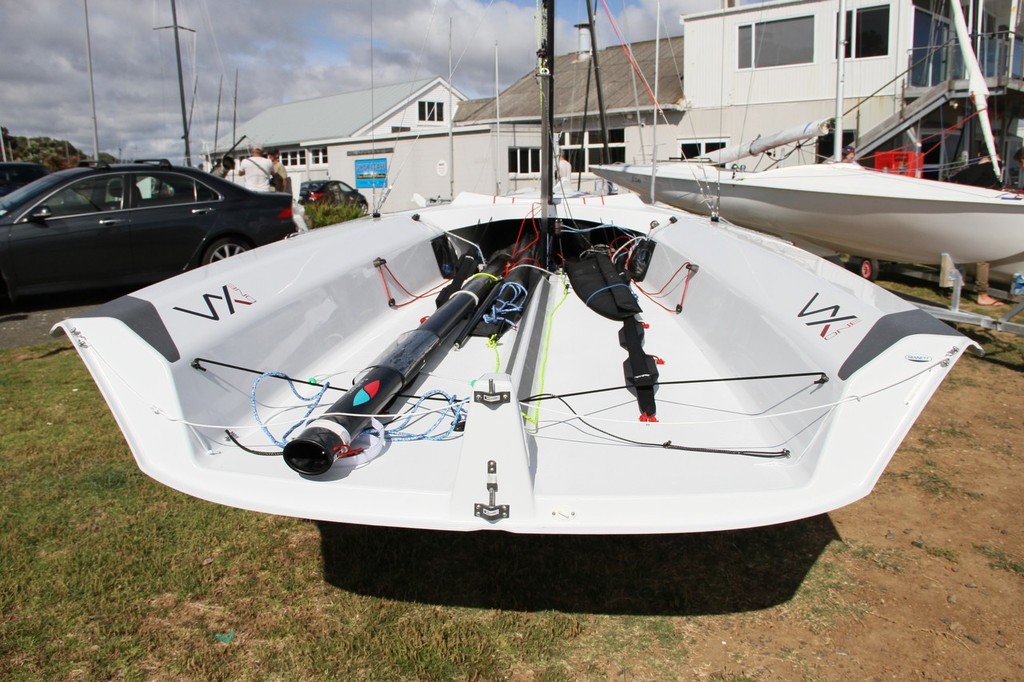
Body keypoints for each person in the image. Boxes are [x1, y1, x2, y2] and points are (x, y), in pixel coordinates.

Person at [950, 153, 1002, 305]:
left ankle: (961, 285)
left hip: (968, 217)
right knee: (982, 257)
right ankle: (982, 295)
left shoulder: (973, 170)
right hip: (981, 218)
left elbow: (955, 179)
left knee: (964, 251)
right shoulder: (990, 170)